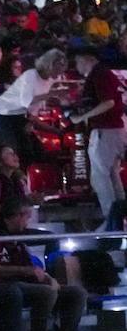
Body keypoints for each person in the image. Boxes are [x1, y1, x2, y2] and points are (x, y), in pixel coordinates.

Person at [0, 198, 92, 331]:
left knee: (76, 293)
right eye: (26, 217)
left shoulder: (17, 239)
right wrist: (25, 271)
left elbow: (28, 267)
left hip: (22, 284)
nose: (28, 222)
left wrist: (46, 277)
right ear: (16, 216)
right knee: (38, 292)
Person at [67, 46, 127, 221]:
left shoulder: (99, 74)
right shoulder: (105, 74)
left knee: (100, 176)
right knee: (111, 175)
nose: (77, 66)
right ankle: (120, 216)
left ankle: (112, 219)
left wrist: (82, 117)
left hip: (105, 131)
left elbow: (108, 102)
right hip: (114, 130)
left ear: (88, 59)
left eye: (78, 61)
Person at [0, 48, 67, 161]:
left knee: (37, 151)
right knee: (15, 150)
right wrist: (52, 94)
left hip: (21, 119)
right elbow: (26, 102)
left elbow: (32, 113)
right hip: (4, 118)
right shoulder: (29, 77)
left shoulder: (47, 81)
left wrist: (57, 131)